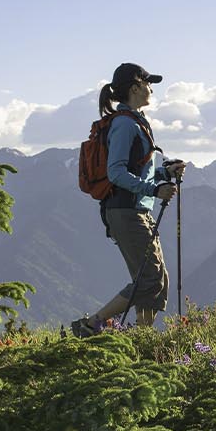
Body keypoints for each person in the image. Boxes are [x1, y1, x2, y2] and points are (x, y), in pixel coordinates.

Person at [71, 62, 184, 336]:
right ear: (135, 87)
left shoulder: (133, 122)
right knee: (150, 279)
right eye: (148, 83)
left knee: (156, 280)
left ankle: (141, 340)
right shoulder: (124, 124)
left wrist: (163, 173)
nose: (151, 89)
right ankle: (91, 324)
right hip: (127, 211)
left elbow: (135, 170)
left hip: (134, 210)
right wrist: (155, 190)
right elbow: (116, 172)